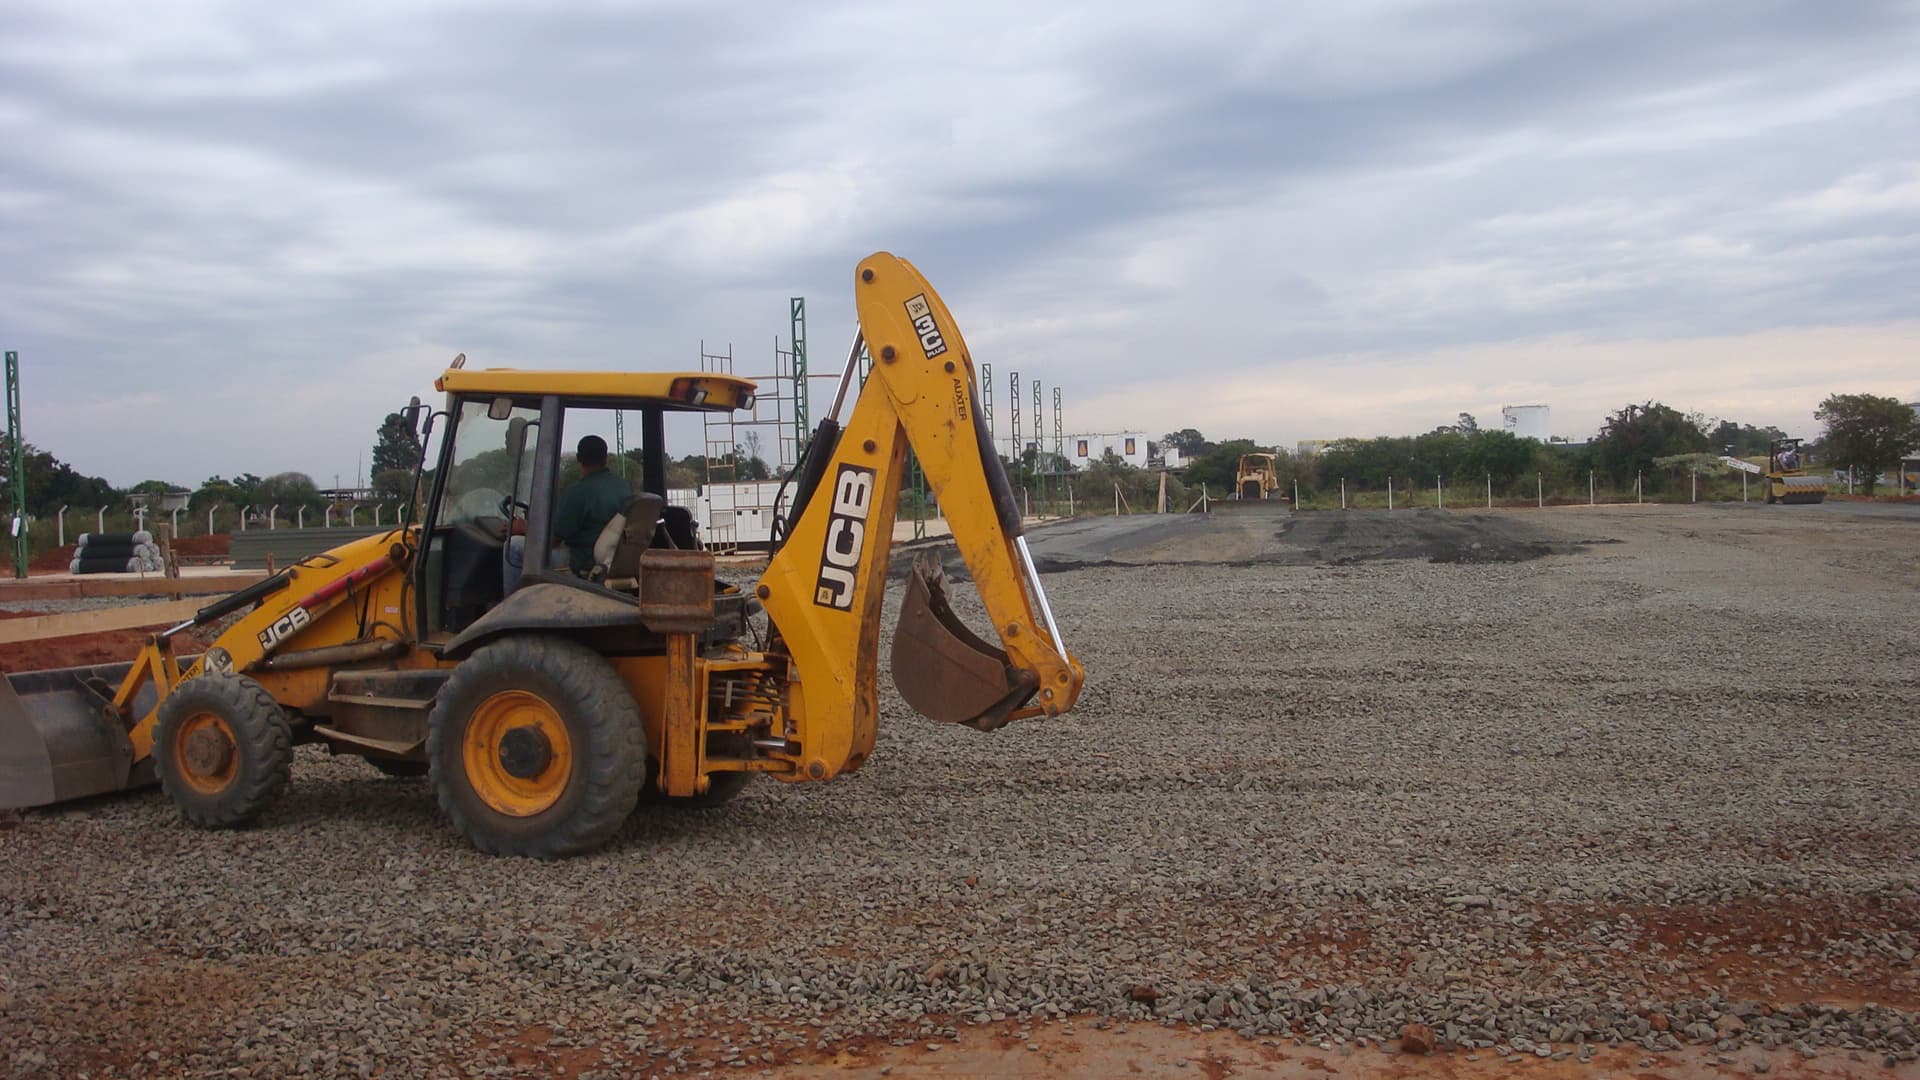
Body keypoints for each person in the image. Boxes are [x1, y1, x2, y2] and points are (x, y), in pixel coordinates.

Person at [550, 435, 632, 574]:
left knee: (514, 546)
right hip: (616, 560)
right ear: (605, 458)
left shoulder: (578, 492)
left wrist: (525, 530)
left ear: (578, 458)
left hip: (583, 561)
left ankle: (518, 595)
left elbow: (554, 539)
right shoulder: (624, 486)